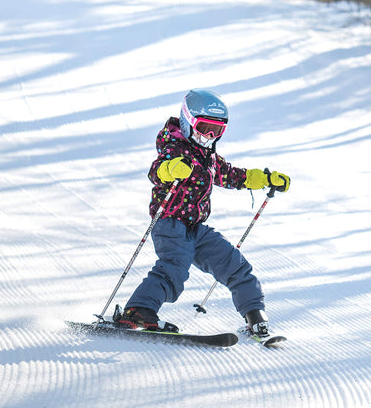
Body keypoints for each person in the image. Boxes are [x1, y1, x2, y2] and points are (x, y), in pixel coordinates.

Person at [115, 89, 291, 337]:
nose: (209, 136)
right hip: (170, 224)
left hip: (195, 228)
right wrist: (171, 169)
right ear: (187, 121)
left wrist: (264, 178)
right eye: (205, 127)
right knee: (173, 270)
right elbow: (157, 172)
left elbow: (232, 176)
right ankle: (138, 311)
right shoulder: (174, 147)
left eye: (217, 131)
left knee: (235, 266)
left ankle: (255, 316)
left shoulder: (207, 155)